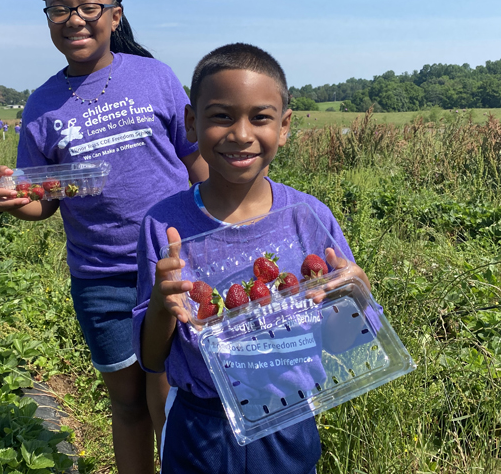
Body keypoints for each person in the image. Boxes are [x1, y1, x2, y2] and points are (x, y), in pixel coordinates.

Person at [0, 0, 207, 474]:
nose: (74, 19)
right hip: (101, 279)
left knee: (169, 398)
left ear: (115, 16)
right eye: (60, 9)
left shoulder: (156, 78)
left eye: (88, 7)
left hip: (171, 267)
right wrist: (2, 200)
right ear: (48, 19)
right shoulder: (42, 106)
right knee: (126, 404)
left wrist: (224, 231)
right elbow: (44, 200)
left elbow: (196, 163)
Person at [133, 43, 374, 473]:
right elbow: (152, 358)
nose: (241, 133)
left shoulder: (308, 218)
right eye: (221, 115)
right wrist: (160, 305)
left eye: (260, 118)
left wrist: (355, 293)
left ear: (284, 127)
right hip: (200, 425)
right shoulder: (163, 226)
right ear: (192, 122)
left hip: (290, 421)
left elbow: (341, 341)